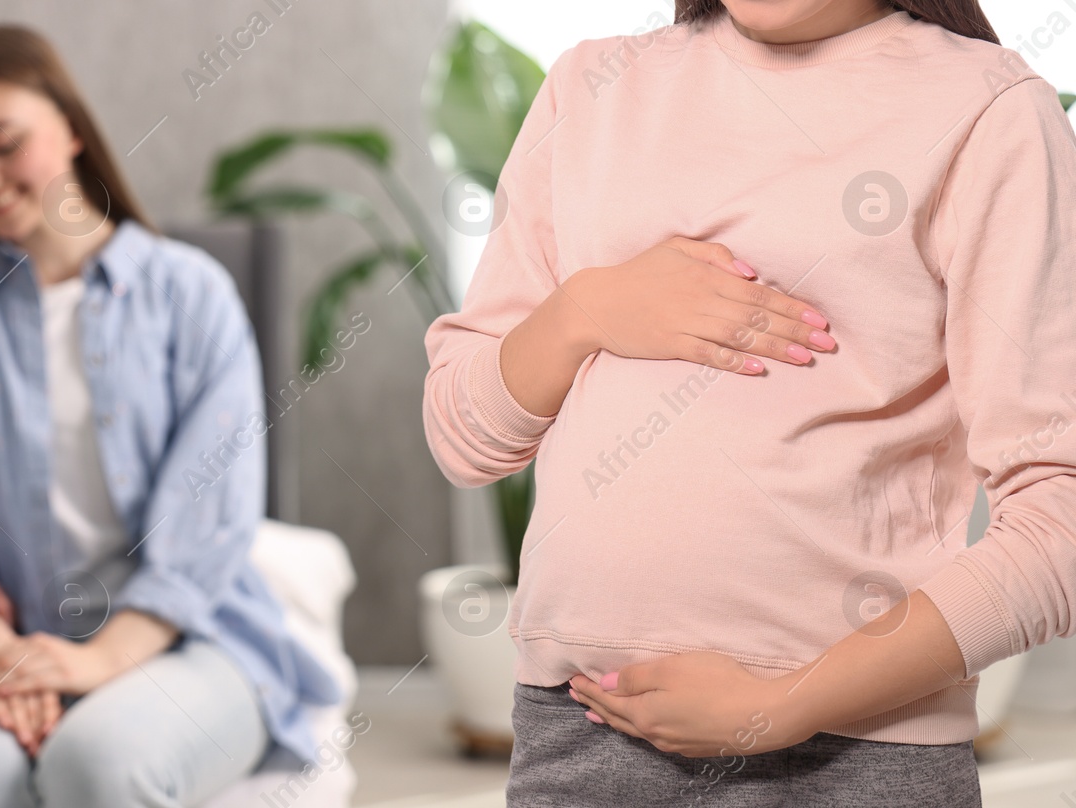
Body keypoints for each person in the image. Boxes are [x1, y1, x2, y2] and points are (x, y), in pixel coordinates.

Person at [423, 1, 1076, 805]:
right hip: (580, 732)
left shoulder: (988, 111)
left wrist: (786, 704)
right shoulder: (589, 88)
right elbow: (464, 436)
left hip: (857, 753)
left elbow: (1060, 518)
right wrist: (584, 311)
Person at [0, 24, 341, 808]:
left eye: (1, 143)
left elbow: (208, 524)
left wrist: (98, 661)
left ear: (73, 129)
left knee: (97, 763)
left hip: (189, 640)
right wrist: (9, 659)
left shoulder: (191, 293)